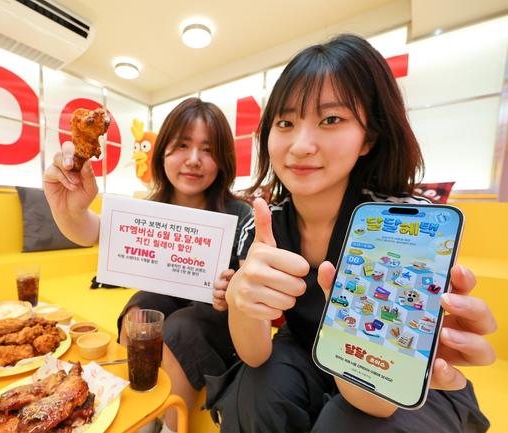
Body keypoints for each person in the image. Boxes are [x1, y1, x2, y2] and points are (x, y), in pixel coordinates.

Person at [205, 34, 496, 433]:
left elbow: (375, 399)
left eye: (331, 120)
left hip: (400, 380)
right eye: (285, 123)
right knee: (256, 389)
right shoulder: (261, 223)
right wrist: (240, 298)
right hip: (307, 352)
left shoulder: (405, 227)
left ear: (368, 138)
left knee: (348, 422)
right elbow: (255, 355)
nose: (301, 146)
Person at [43, 97, 251, 433]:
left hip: (219, 318)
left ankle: (171, 428)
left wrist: (237, 286)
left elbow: (252, 281)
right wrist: (70, 208)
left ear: (223, 159)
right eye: (182, 145)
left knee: (181, 328)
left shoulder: (239, 213)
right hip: (168, 302)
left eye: (208, 150)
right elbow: (93, 231)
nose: (193, 159)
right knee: (140, 311)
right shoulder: (151, 208)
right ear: (163, 151)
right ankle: (139, 416)